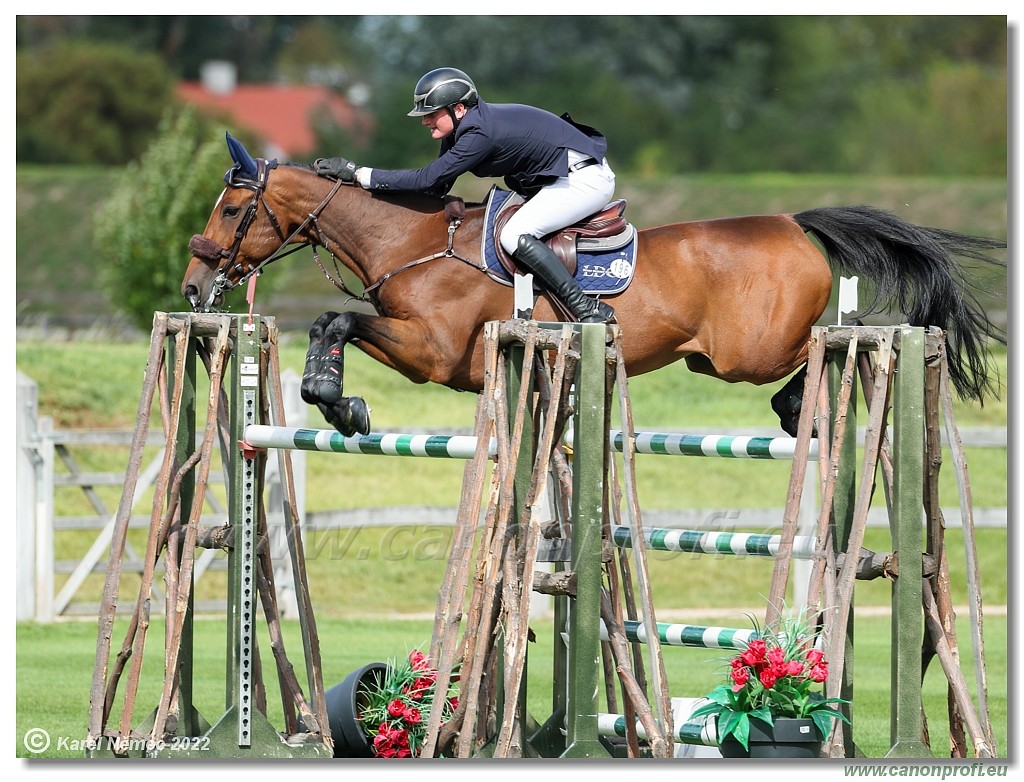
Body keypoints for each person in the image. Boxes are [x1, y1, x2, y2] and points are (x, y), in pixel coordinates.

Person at [314, 67, 616, 324]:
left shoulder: (478, 134)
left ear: (458, 109)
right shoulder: (462, 129)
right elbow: (436, 188)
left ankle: (585, 308)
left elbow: (426, 179)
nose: (425, 121)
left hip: (585, 180)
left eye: (431, 114)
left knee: (514, 234)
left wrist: (359, 174)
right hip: (562, 178)